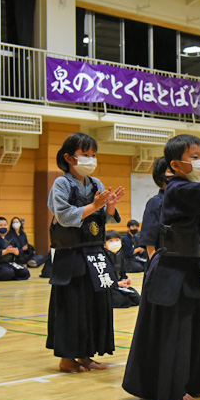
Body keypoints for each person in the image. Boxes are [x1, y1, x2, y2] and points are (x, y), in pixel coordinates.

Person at [122, 134, 200, 400]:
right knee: (175, 330)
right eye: (195, 157)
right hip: (173, 269)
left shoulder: (198, 195)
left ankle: (198, 380)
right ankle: (172, 386)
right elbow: (153, 239)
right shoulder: (176, 189)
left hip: (199, 268)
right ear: (176, 165)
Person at [47, 132, 125, 373]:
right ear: (69, 158)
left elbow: (103, 219)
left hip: (95, 253)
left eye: (93, 155)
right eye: (85, 154)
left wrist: (110, 206)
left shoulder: (96, 184)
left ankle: (85, 355)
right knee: (72, 307)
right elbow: (64, 216)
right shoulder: (62, 184)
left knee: (93, 306)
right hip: (71, 254)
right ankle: (66, 358)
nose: (91, 159)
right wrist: (95, 205)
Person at [141, 157, 171, 260]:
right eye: (170, 171)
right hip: (164, 262)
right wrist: (155, 264)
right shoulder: (155, 202)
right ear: (161, 177)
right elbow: (150, 243)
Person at [104, 231, 140, 308]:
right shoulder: (103, 257)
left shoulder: (120, 254)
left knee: (137, 299)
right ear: (104, 244)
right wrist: (116, 284)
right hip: (109, 287)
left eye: (117, 240)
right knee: (123, 301)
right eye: (111, 241)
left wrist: (125, 280)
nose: (114, 243)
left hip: (119, 285)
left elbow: (123, 272)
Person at [0, 217, 30, 281]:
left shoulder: (9, 237)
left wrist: (16, 252)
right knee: (8, 272)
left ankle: (11, 275)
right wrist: (6, 251)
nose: (3, 227)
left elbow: (17, 253)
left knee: (25, 272)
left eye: (5, 225)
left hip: (9, 263)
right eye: (0, 225)